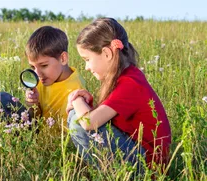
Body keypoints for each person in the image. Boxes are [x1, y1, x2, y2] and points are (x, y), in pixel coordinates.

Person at [67, 18, 171, 171]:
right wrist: (86, 103)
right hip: (140, 155)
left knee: (77, 120)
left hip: (147, 167)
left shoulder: (130, 84)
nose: (87, 67)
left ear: (107, 53)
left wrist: (75, 98)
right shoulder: (127, 77)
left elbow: (89, 122)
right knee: (77, 116)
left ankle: (113, 176)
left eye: (87, 59)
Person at [0, 26, 86, 136]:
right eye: (33, 67)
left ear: (63, 58)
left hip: (54, 140)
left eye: (44, 65)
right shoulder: (44, 78)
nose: (38, 74)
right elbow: (36, 117)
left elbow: (67, 133)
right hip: (35, 129)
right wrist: (34, 105)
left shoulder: (75, 89)